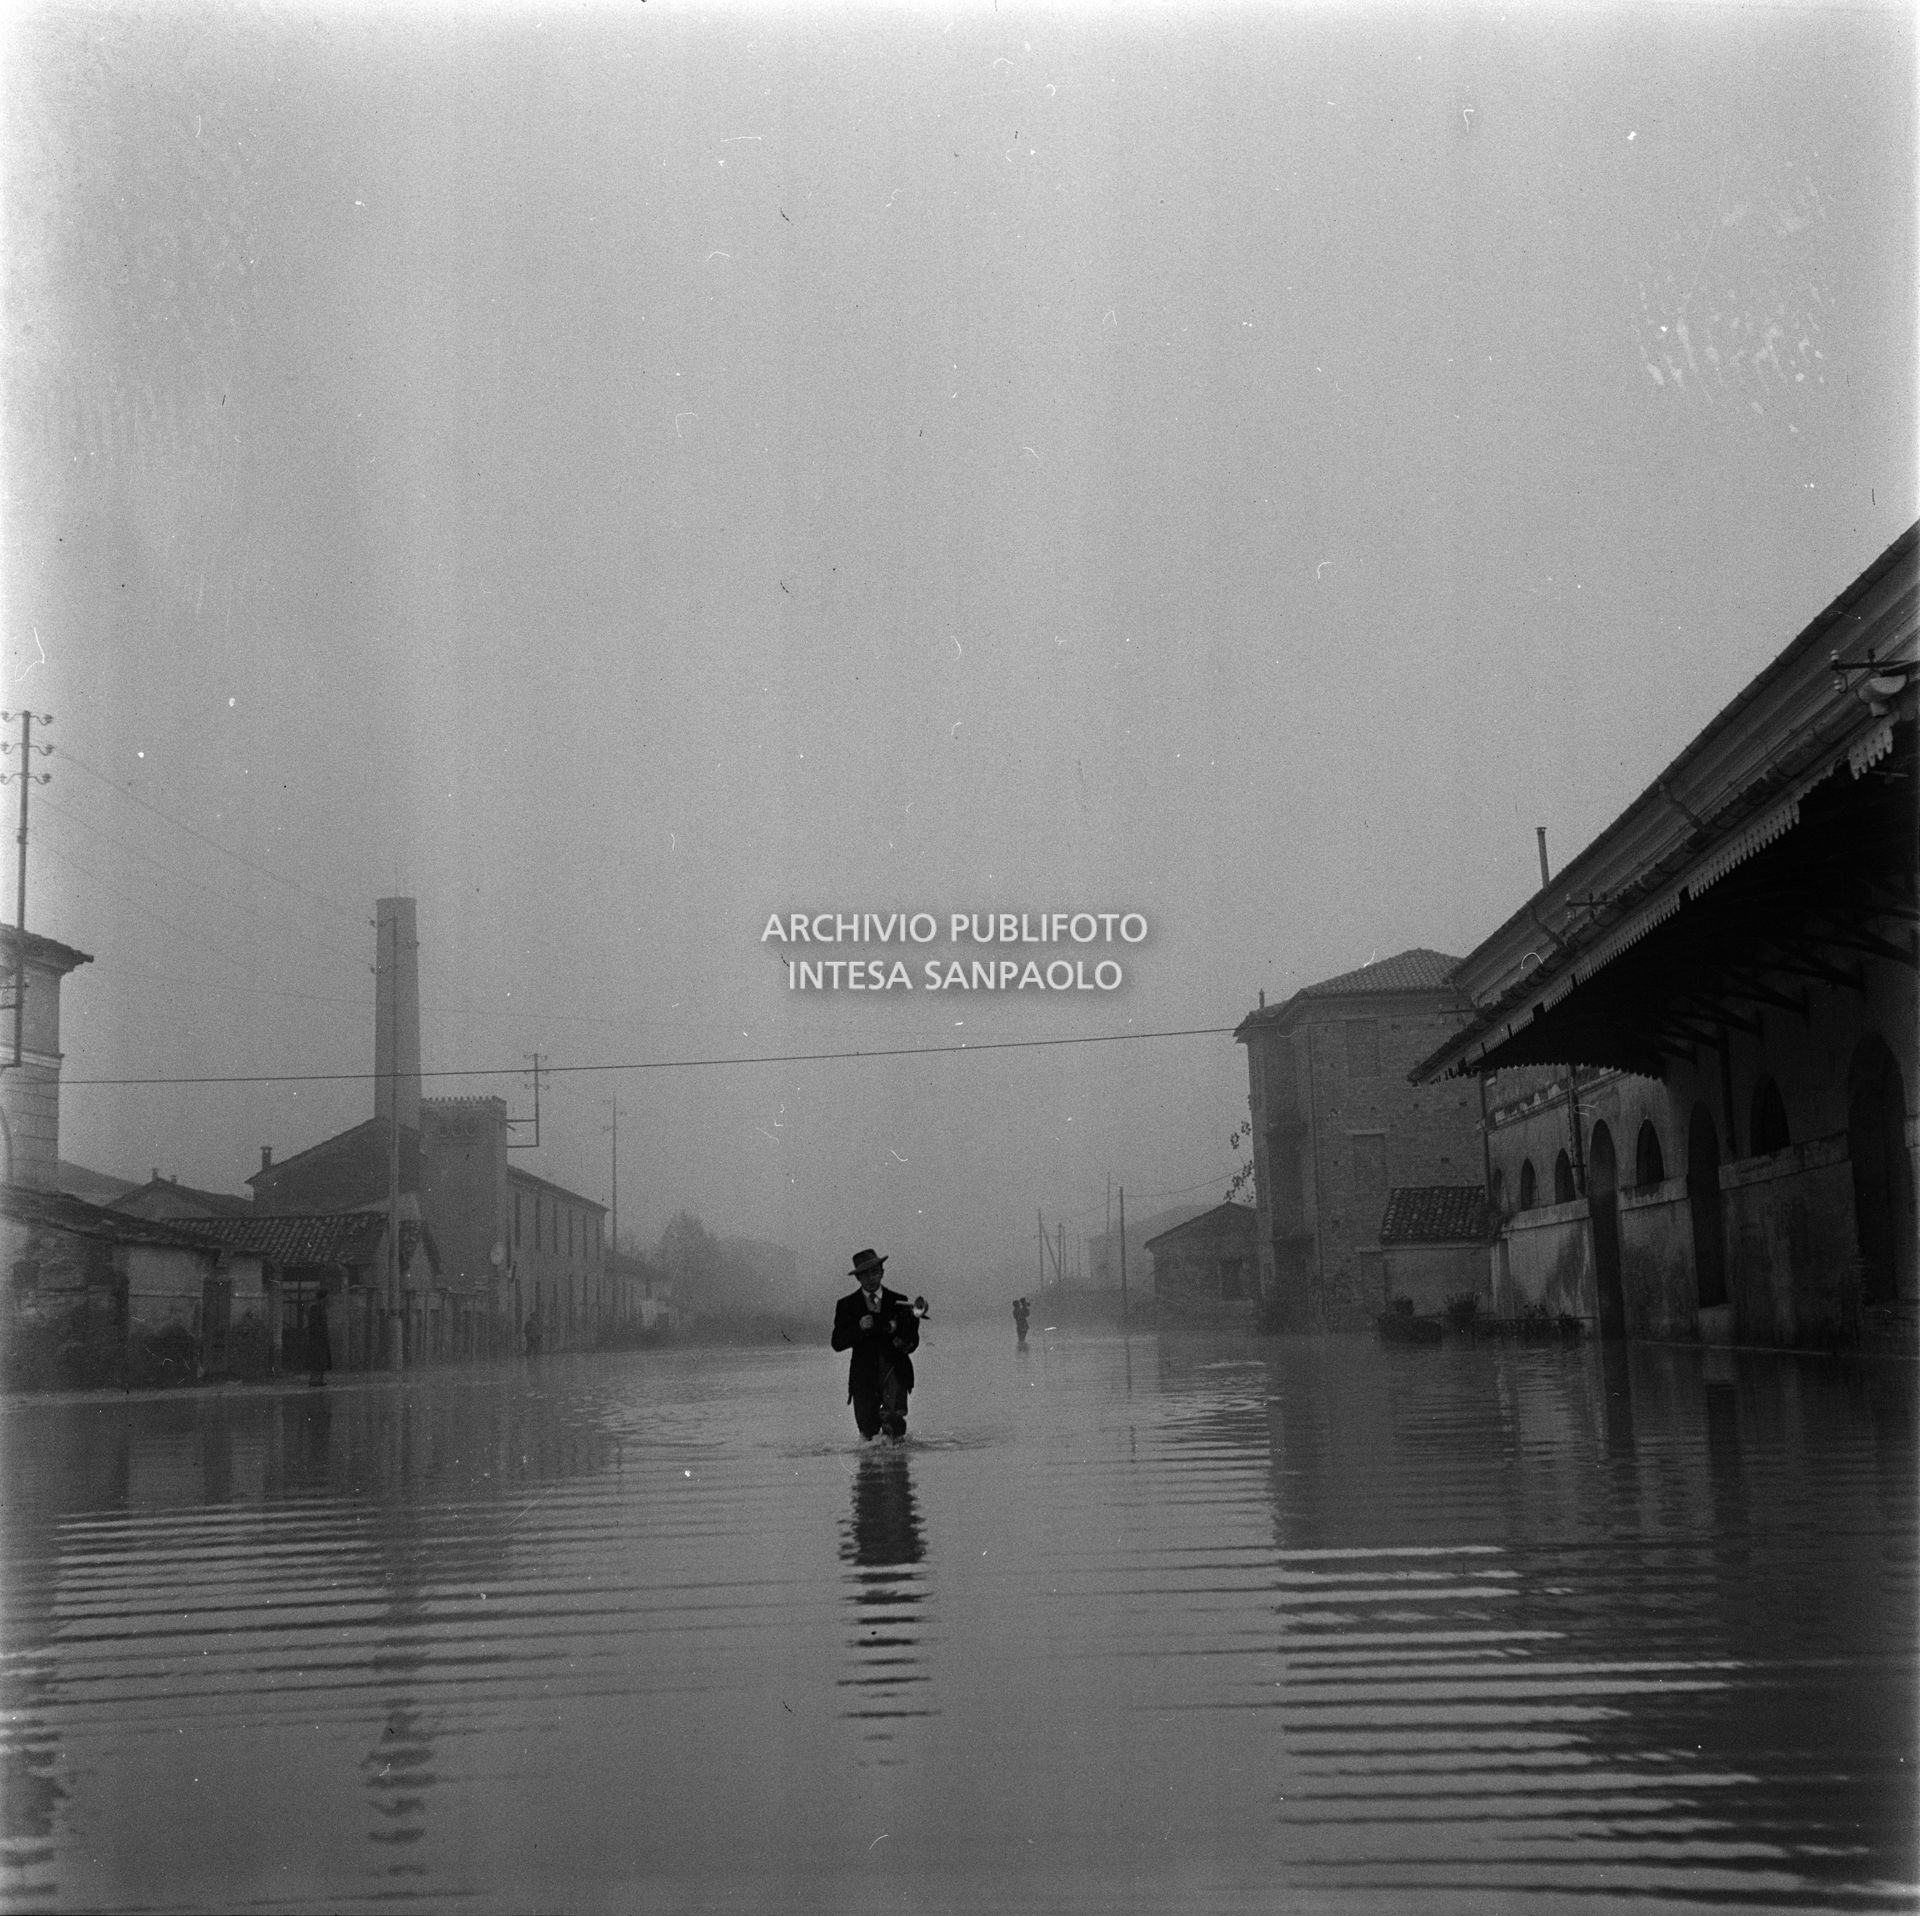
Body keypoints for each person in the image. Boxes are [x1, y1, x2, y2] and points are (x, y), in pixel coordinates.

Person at [831, 1248, 919, 1440]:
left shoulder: (900, 1301)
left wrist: (903, 1341)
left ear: (882, 1272)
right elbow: (837, 1343)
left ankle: (898, 1467)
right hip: (863, 1377)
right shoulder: (846, 1305)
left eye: (875, 1272)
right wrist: (859, 1328)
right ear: (858, 1278)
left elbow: (913, 1340)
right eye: (865, 1274)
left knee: (895, 1429)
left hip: (894, 1372)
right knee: (867, 1431)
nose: (871, 1278)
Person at [306, 1290, 331, 1388]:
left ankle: (320, 1378)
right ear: (323, 1298)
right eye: (327, 1297)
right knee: (317, 1359)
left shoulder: (322, 1308)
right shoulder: (315, 1308)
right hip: (317, 1339)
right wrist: (321, 1333)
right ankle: (314, 1379)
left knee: (323, 1359)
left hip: (322, 1338)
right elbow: (314, 1324)